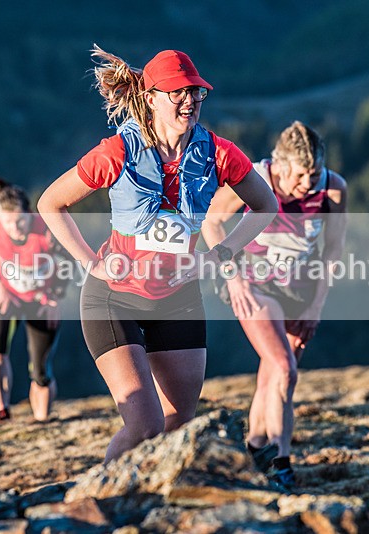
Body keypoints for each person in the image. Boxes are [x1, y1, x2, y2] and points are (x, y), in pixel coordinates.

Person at [37, 47, 277, 463]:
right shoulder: (116, 152)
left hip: (178, 298)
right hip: (113, 296)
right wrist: (89, 261)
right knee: (144, 425)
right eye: (177, 93)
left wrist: (219, 255)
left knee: (179, 420)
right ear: (150, 98)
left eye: (196, 93)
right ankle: (101, 499)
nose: (190, 101)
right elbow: (50, 203)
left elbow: (266, 205)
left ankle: (150, 495)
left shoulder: (218, 153)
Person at [202, 121, 348, 491]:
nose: (308, 183)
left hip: (301, 290)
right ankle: (281, 465)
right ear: (281, 165)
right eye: (301, 175)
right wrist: (232, 277)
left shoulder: (333, 189)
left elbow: (333, 250)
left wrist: (316, 306)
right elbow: (212, 223)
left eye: (315, 173)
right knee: (285, 370)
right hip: (254, 283)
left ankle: (255, 447)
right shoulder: (256, 178)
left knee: (273, 374)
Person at [0, 175, 66, 422]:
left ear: (29, 213)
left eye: (19, 221)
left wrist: (55, 297)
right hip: (8, 296)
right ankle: (2, 411)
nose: (14, 228)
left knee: (40, 370)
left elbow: (70, 262)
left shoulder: (47, 229)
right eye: (6, 223)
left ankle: (42, 422)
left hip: (41, 301)